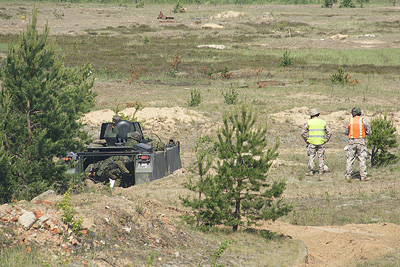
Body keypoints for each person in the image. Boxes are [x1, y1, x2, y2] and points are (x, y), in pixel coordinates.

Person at [301, 108, 332, 176]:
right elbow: (329, 132)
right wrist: (326, 140)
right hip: (321, 143)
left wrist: (306, 140)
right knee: (321, 157)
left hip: (311, 143)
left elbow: (303, 133)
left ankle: (310, 171)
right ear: (318, 114)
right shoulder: (323, 122)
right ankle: (321, 171)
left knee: (311, 157)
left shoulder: (309, 122)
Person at [344, 107, 372, 181]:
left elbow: (346, 132)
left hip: (351, 142)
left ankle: (348, 176)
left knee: (350, 159)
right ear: (360, 113)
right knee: (362, 159)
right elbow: (369, 132)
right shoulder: (363, 121)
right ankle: (363, 176)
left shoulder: (350, 121)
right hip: (361, 142)